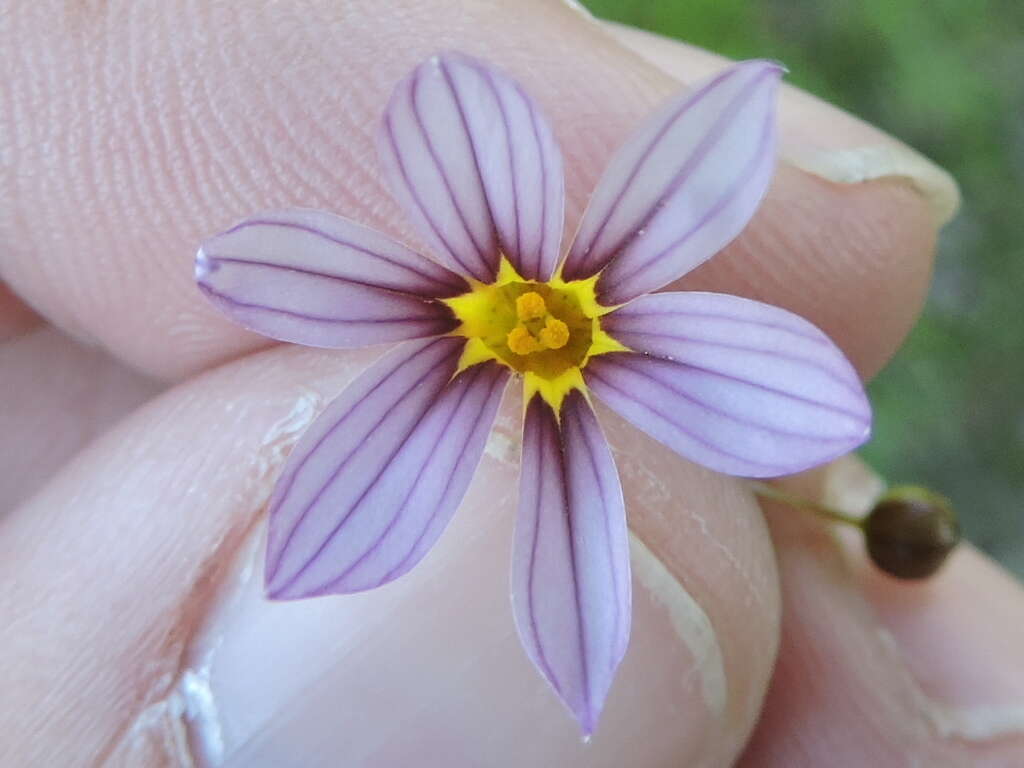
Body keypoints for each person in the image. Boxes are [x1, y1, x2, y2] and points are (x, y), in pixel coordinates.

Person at [1, 2, 1021, 765]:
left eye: (543, 323)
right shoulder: (461, 304)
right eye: (533, 322)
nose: (539, 324)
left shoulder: (571, 312)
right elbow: (255, 264)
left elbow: (792, 396)